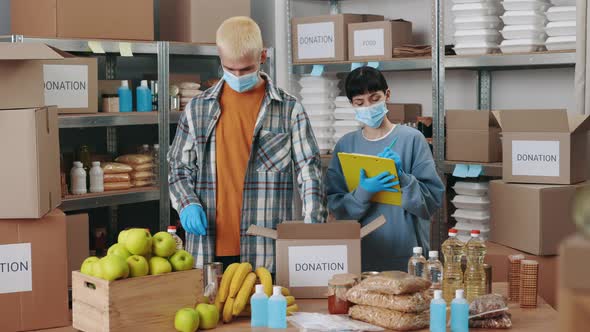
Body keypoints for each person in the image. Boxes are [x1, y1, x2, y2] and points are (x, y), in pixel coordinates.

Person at [168, 17, 326, 271]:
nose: (238, 76)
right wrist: (187, 203)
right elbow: (178, 168)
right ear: (220, 58)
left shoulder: (289, 110)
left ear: (262, 56)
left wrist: (312, 231)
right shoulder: (198, 110)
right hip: (209, 250)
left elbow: (310, 173)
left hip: (267, 252)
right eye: (230, 69)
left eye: (245, 69)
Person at [326, 66, 444, 272]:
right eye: (359, 103)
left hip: (407, 254)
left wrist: (403, 179)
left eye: (374, 98)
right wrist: (362, 193)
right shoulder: (346, 145)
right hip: (361, 253)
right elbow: (337, 209)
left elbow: (432, 202)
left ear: (387, 95)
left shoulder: (412, 140)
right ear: (352, 104)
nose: (368, 107)